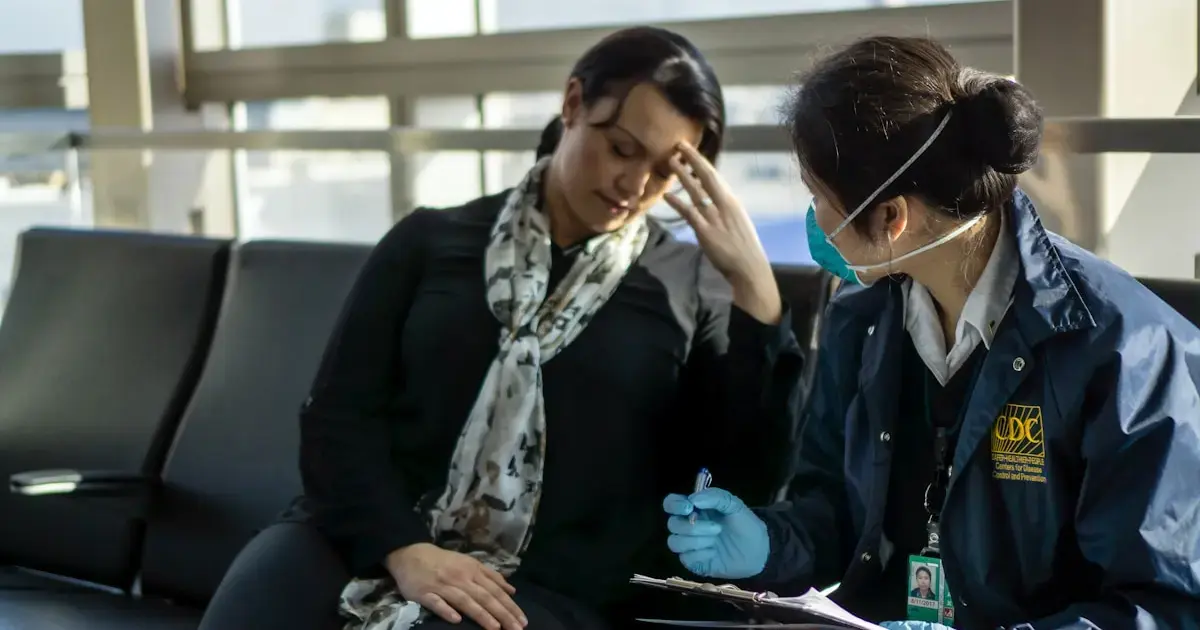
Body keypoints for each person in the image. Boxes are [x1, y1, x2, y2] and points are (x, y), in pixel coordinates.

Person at [198, 26, 806, 630]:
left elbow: (737, 481)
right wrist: (403, 548)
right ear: (572, 104)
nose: (636, 186)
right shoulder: (430, 240)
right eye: (622, 149)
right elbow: (337, 415)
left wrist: (756, 292)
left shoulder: (687, 288)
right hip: (365, 530)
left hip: (540, 582)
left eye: (665, 172)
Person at [661, 35, 1200, 630]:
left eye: (820, 198)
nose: (815, 221)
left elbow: (1161, 607)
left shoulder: (1122, 349)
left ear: (891, 217)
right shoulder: (861, 319)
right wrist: (766, 542)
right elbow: (837, 514)